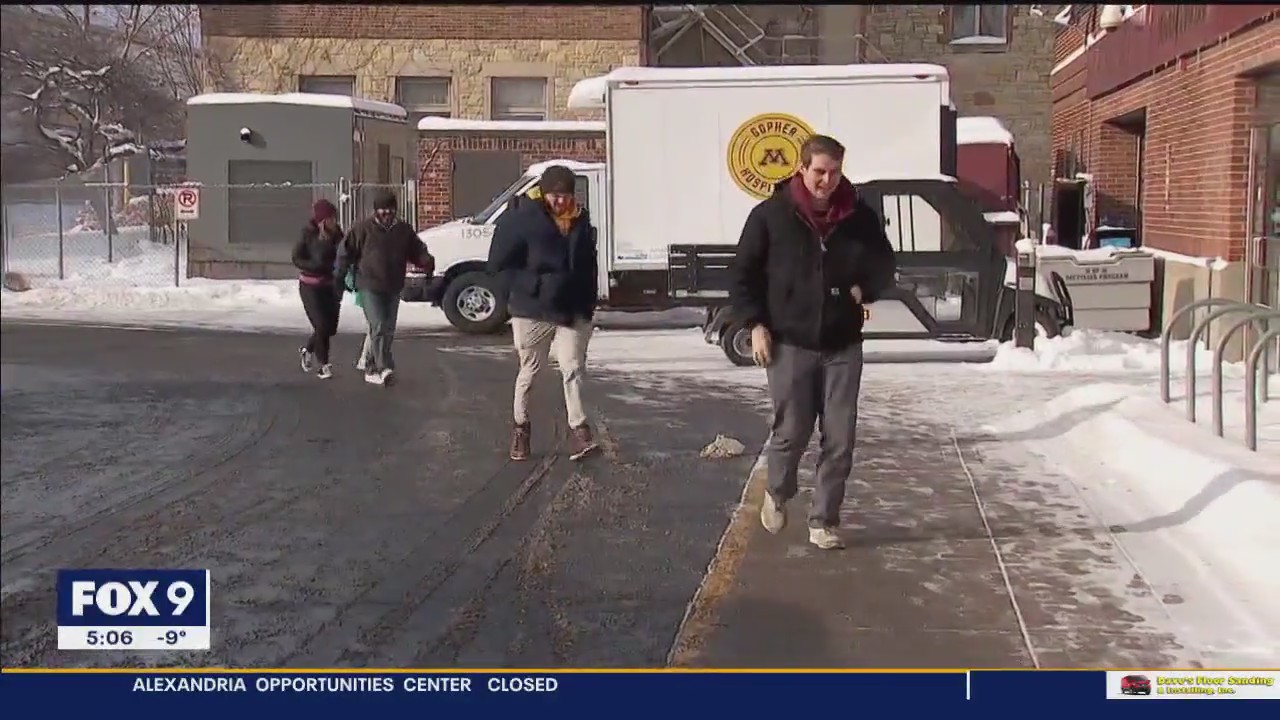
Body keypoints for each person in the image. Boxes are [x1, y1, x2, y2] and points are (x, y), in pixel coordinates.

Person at [729, 134, 898, 550]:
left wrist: (866, 287)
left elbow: (886, 262)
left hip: (842, 343)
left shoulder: (858, 216)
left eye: (834, 172)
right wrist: (755, 325)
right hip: (790, 341)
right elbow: (742, 276)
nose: (826, 180)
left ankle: (824, 520)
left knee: (840, 437)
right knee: (792, 431)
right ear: (802, 169)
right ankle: (779, 491)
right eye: (819, 171)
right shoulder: (770, 216)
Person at [487, 165, 599, 462]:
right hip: (532, 309)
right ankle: (521, 429)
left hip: (572, 309)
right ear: (543, 192)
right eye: (554, 195)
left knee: (573, 367)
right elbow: (498, 268)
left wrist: (589, 304)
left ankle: (580, 431)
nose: (560, 201)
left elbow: (589, 267)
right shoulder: (521, 220)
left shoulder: (581, 221)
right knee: (530, 373)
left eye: (565, 195)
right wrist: (535, 284)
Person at [335, 191, 434, 386]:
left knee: (386, 328)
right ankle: (383, 367)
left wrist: (427, 262)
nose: (387, 213)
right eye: (383, 210)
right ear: (375, 211)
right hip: (369, 284)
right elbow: (345, 253)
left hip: (393, 284)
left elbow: (416, 250)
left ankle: (370, 364)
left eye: (391, 209)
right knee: (378, 325)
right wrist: (339, 277)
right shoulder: (363, 229)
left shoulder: (403, 230)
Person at [292, 199, 344, 379]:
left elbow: (344, 253)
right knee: (321, 324)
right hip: (310, 285)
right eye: (331, 218)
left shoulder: (337, 235)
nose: (334, 221)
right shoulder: (308, 233)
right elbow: (296, 257)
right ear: (322, 220)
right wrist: (314, 265)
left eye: (335, 218)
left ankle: (308, 349)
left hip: (330, 285)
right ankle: (323, 365)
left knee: (329, 327)